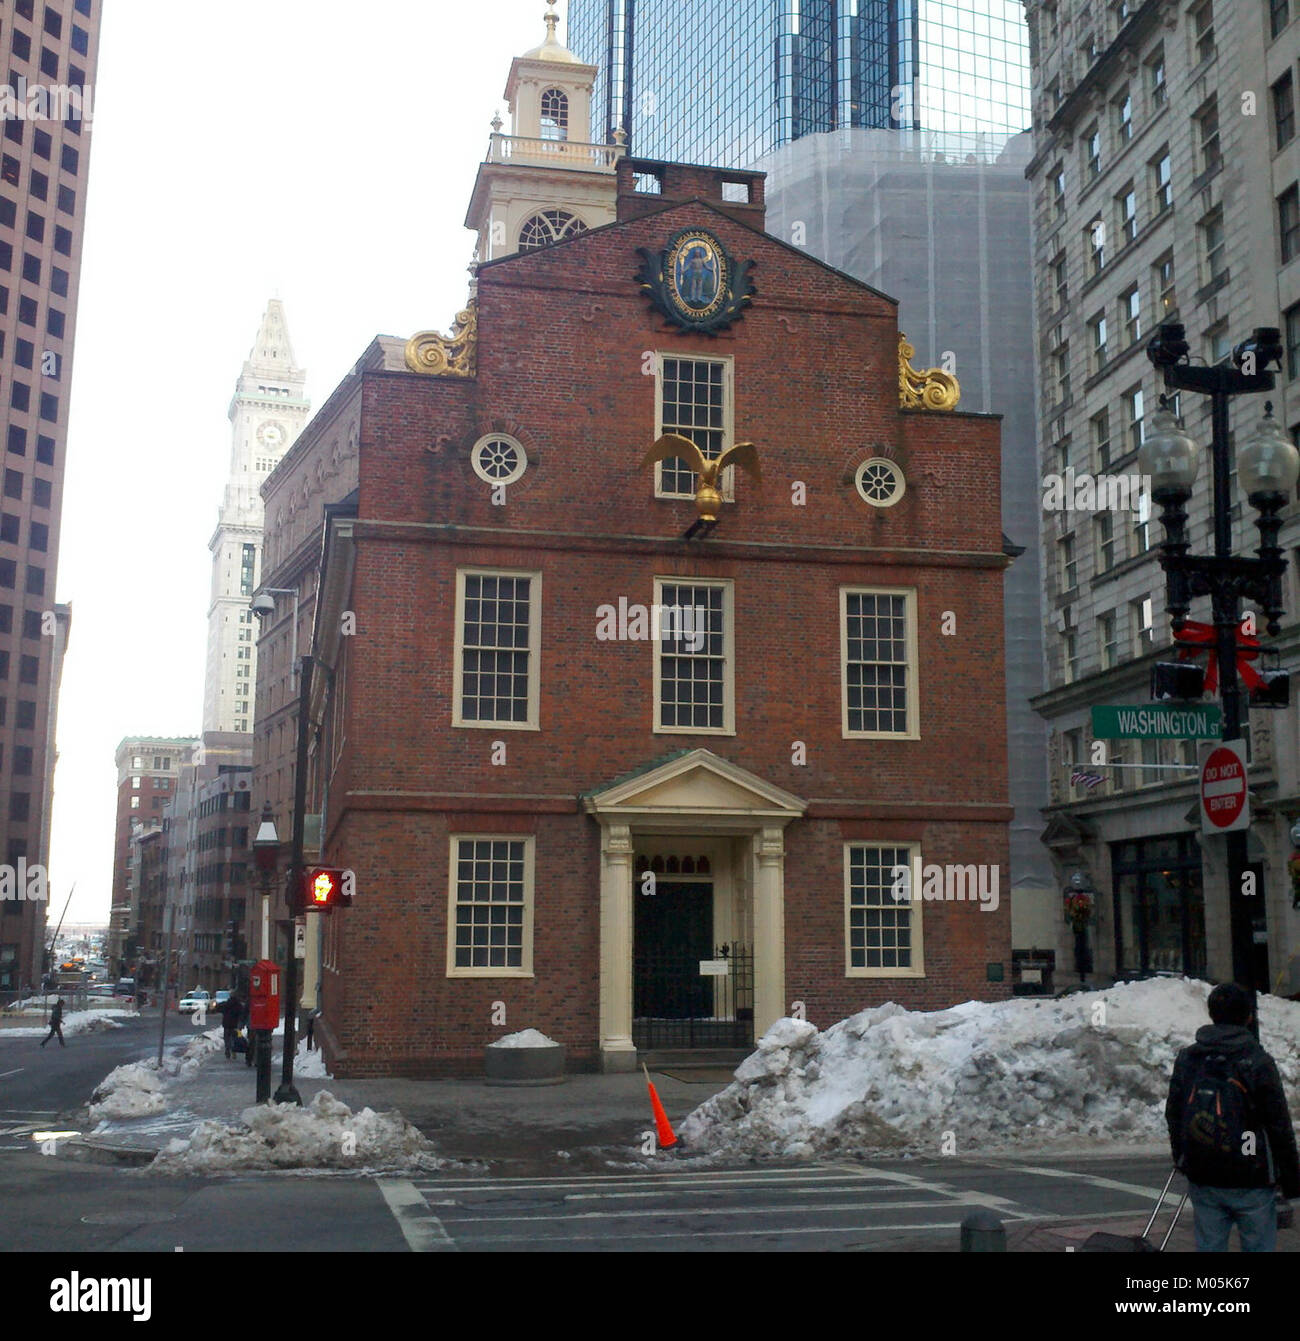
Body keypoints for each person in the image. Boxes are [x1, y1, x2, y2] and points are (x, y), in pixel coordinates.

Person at [1166, 982, 1300, 1251]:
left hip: (1204, 1172)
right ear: (1248, 1016)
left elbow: (1175, 1113)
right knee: (1258, 1244)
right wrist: (1291, 1178)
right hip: (1251, 1175)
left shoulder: (1190, 1058)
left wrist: (1183, 1156)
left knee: (1210, 1244)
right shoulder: (1257, 1060)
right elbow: (1277, 1123)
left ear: (1212, 1013)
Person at [218, 991, 243, 1059]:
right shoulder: (238, 1005)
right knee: (234, 1038)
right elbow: (241, 1014)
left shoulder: (226, 1003)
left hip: (226, 1024)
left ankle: (227, 1049)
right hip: (234, 1024)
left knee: (227, 1038)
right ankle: (233, 1051)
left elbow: (220, 1008)